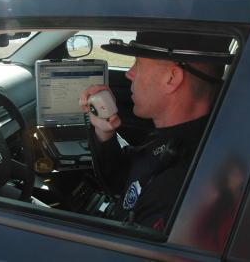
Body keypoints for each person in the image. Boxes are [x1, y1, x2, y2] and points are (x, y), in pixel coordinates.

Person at [79, 31, 234, 230]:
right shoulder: (183, 137)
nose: (129, 73)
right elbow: (127, 182)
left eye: (138, 64)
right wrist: (105, 132)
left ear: (171, 78)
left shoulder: (175, 188)